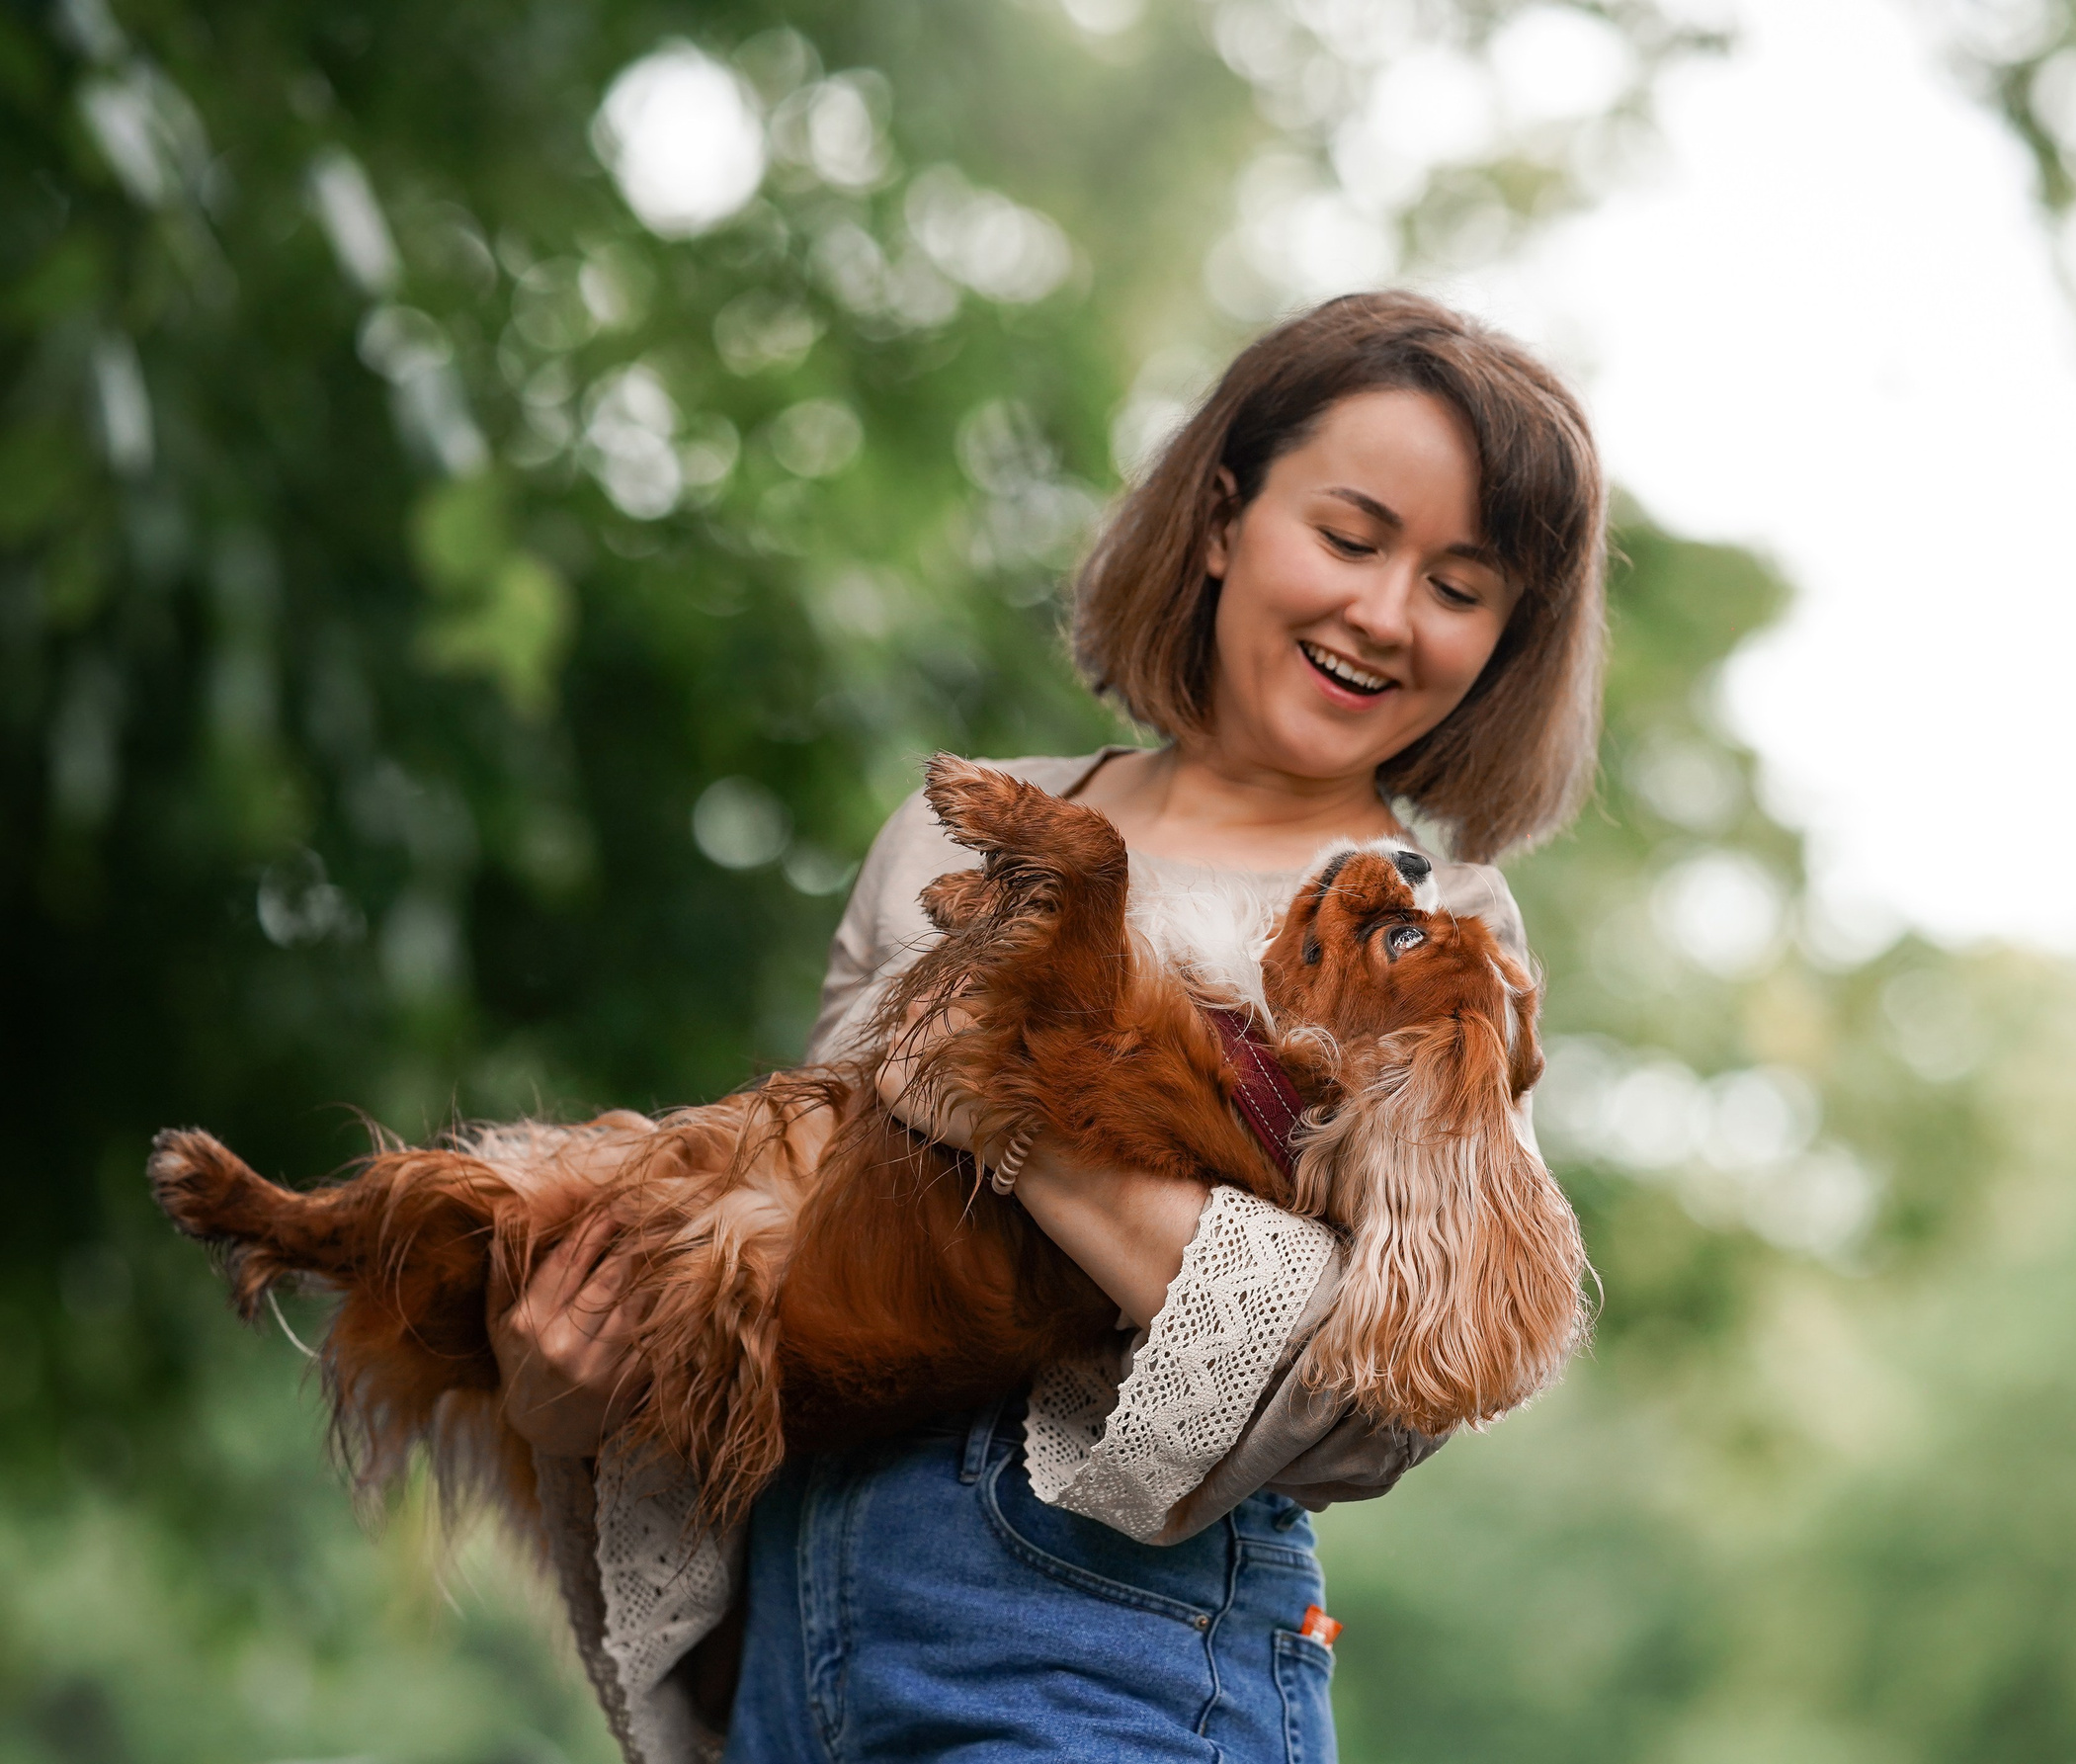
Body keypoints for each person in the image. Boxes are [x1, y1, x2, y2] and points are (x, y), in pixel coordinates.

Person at [487, 291, 1609, 1764]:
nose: (1385, 614)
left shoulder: (1426, 938)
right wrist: (558, 1390)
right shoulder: (953, 828)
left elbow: (1371, 1388)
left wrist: (1015, 1113)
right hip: (795, 1646)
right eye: (1349, 538)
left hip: (1114, 1654)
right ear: (1220, 518)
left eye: (1461, 588)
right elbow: (802, 1239)